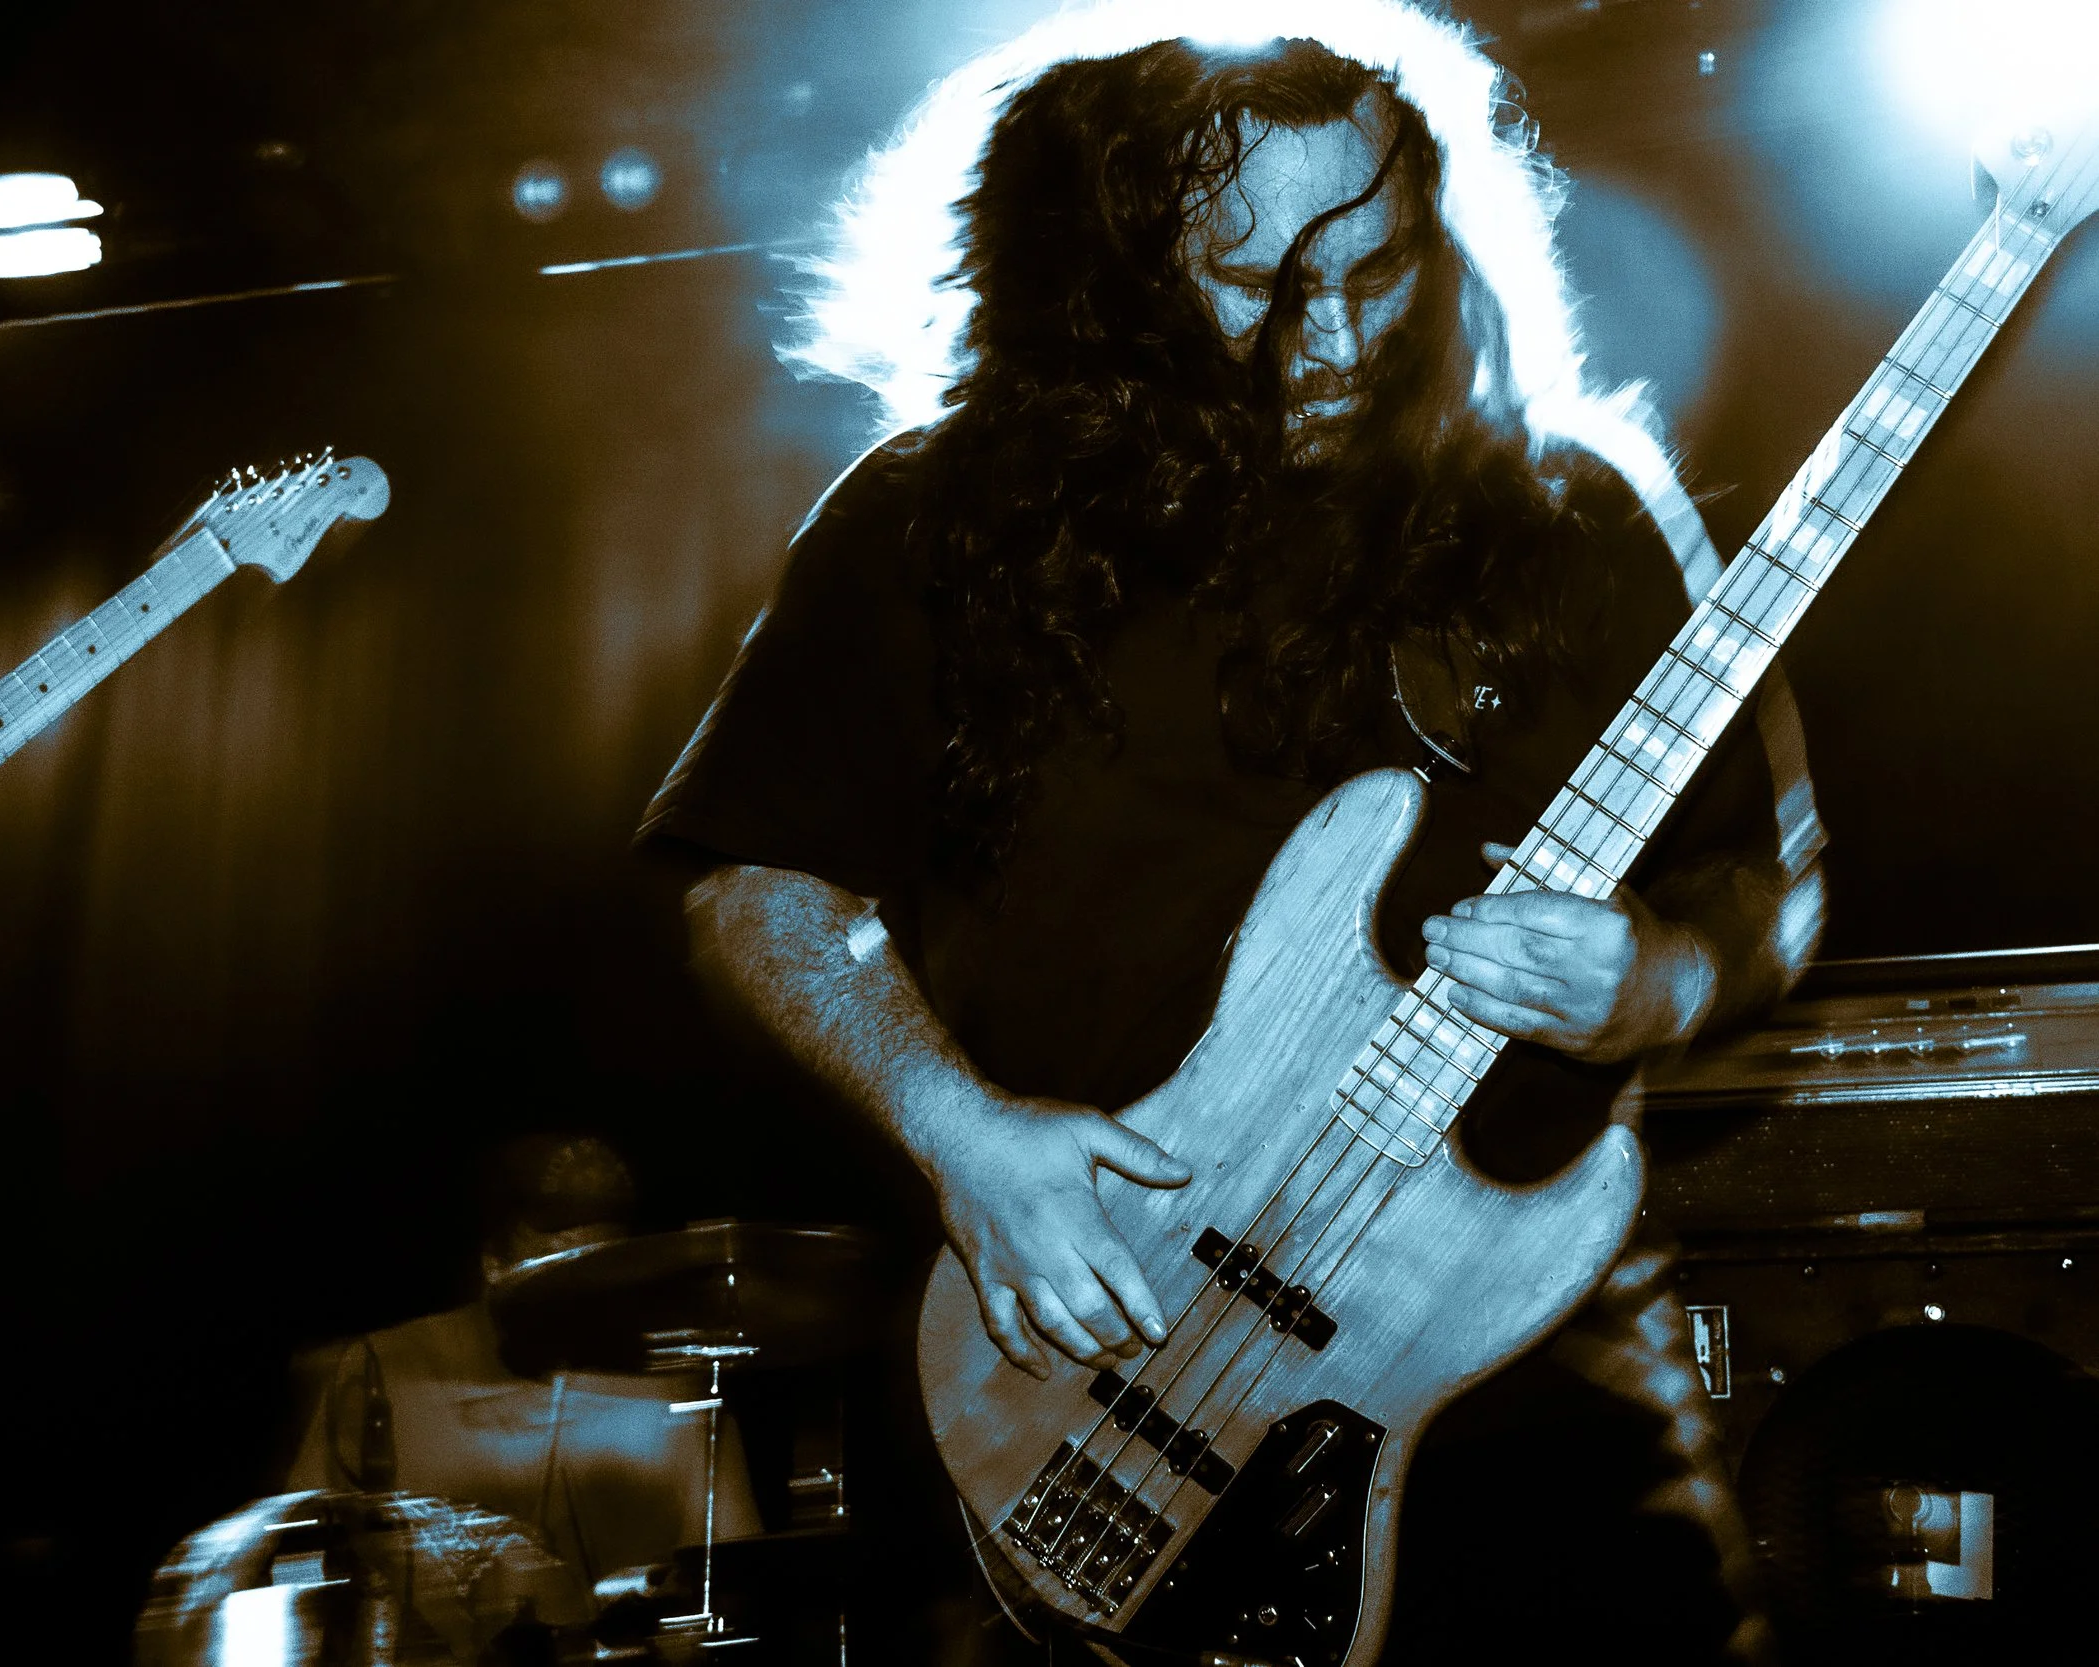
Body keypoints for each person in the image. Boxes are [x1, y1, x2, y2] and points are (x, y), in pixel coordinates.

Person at [644, 4, 1823, 1661]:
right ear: (1108, 267)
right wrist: (958, 1129)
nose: (1332, 332)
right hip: (1080, 1392)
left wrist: (1665, 980)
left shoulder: (1572, 516)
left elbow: (1762, 888)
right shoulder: (934, 519)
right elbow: (755, 880)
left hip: (1516, 1417)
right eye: (1249, 277)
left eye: (1381, 265)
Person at [282, 1134, 761, 1598]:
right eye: (559, 1263)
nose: (581, 1288)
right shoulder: (381, 1371)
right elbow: (292, 1564)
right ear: (493, 1262)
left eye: (603, 1263)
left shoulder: (680, 1388)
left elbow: (736, 1582)